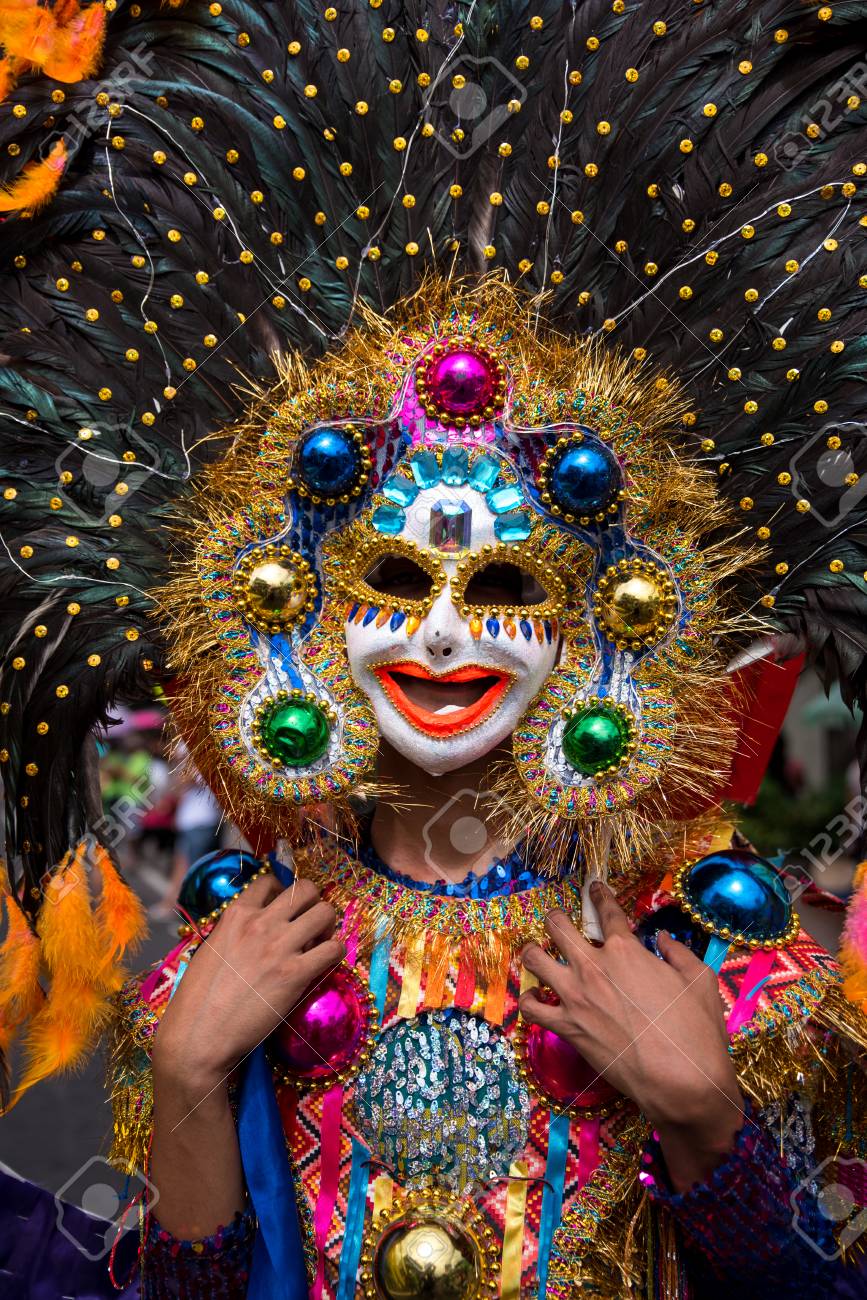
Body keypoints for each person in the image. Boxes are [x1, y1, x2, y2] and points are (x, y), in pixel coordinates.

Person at [1, 4, 867, 1300]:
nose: (446, 629)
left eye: (507, 585)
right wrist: (190, 1079)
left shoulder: (706, 945)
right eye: (392, 580)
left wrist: (703, 1116)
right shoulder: (247, 946)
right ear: (296, 607)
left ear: (602, 612)